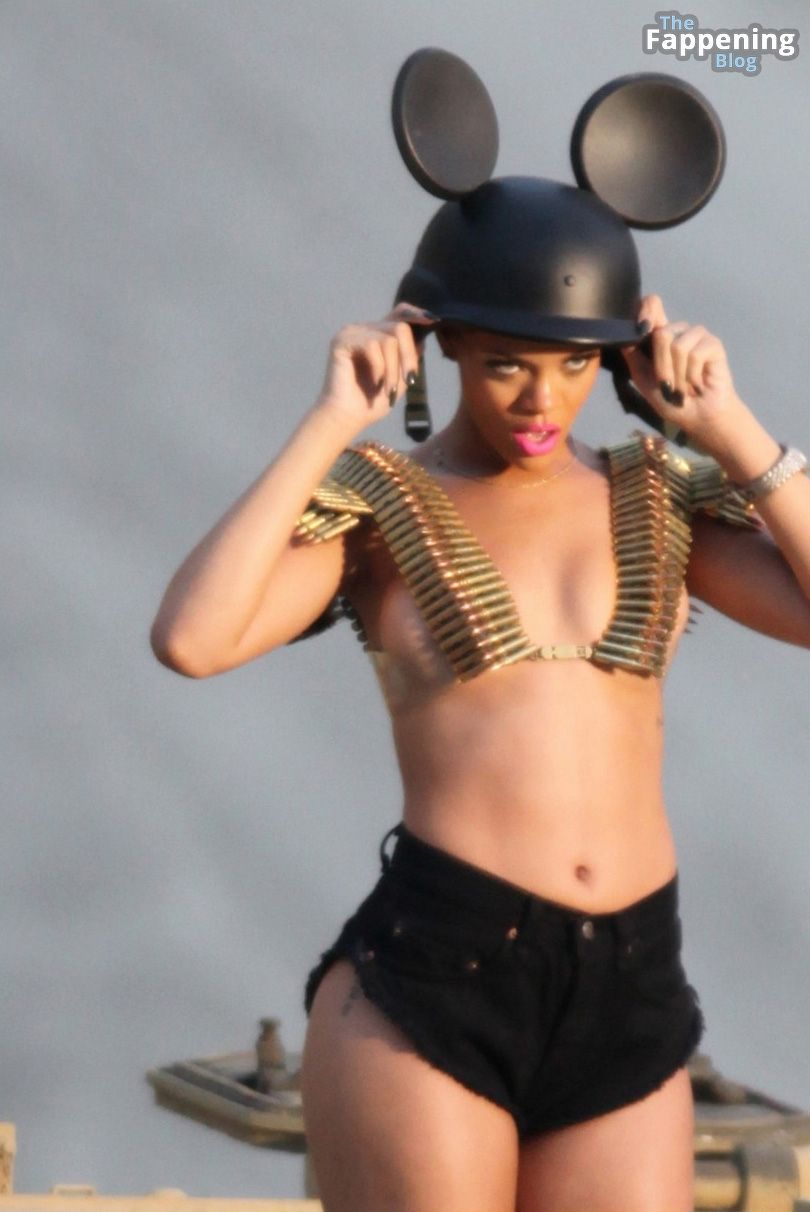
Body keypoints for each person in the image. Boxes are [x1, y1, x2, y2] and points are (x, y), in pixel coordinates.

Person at [150, 64, 810, 1212]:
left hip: (631, 986)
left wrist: (731, 425)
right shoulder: (381, 511)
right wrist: (330, 421)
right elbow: (191, 640)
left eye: (572, 365)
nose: (541, 403)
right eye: (507, 363)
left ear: (615, 355)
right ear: (442, 343)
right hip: (434, 984)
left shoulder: (659, 495)